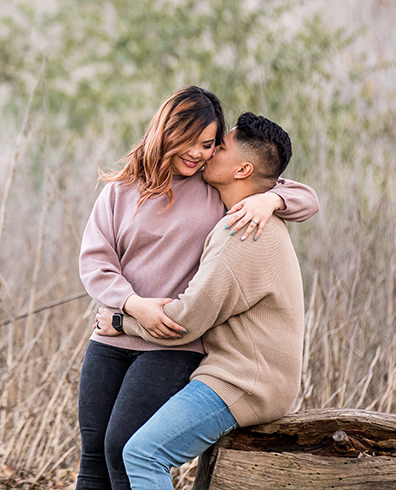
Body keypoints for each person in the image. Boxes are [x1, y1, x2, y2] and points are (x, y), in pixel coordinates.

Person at [77, 87, 318, 490]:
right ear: (167, 133)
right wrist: (130, 307)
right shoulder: (122, 189)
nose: (202, 153)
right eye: (194, 142)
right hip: (111, 340)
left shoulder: (221, 198)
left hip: (172, 346)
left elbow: (293, 190)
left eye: (211, 145)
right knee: (93, 458)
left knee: (126, 449)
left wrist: (271, 200)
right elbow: (95, 262)